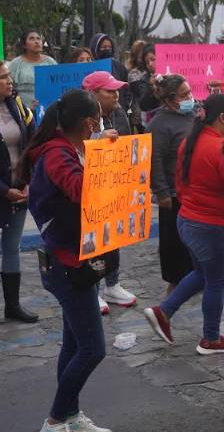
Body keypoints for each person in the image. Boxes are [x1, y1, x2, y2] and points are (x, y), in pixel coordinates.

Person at [22, 90, 112, 432]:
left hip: (75, 258)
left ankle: (70, 415)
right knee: (92, 349)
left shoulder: (64, 149)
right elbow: (81, 190)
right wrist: (104, 155)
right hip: (67, 262)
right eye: (98, 121)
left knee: (74, 343)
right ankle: (56, 420)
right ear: (89, 123)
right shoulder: (57, 155)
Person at [144, 94, 224, 355]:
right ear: (222, 118)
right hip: (212, 225)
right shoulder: (220, 148)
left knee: (202, 275)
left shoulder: (192, 141)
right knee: (217, 281)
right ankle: (210, 338)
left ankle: (163, 311)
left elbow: (181, 181)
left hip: (189, 219)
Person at [81, 71, 137, 315]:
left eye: (117, 90)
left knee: (113, 236)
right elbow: (70, 148)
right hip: (86, 188)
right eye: (109, 91)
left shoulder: (119, 114)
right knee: (92, 242)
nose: (116, 95)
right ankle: (91, 288)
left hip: (114, 185)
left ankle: (112, 284)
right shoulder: (79, 118)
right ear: (93, 94)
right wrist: (97, 139)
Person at [148, 75, 195, 294]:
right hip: (173, 193)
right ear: (170, 99)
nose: (190, 97)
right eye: (185, 95)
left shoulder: (192, 114)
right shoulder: (158, 123)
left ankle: (193, 278)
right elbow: (154, 159)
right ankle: (175, 284)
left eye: (190, 92)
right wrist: (162, 192)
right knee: (173, 242)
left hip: (193, 190)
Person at [0, 61, 37, 323]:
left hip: (18, 189)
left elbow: (33, 143)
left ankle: (12, 306)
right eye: (3, 78)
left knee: (12, 247)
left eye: (9, 76)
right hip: (3, 191)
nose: (9, 81)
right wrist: (4, 190)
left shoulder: (18, 106)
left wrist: (28, 181)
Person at [9, 30, 57, 109]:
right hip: (23, 112)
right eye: (32, 39)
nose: (36, 42)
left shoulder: (51, 62)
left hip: (47, 110)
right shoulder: (15, 64)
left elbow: (56, 87)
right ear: (24, 45)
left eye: (38, 39)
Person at [89, 33, 133, 119]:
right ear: (96, 48)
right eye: (104, 47)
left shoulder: (119, 66)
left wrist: (127, 106)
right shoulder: (88, 68)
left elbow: (127, 88)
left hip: (118, 112)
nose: (107, 49)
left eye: (109, 47)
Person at [129, 43, 157, 131]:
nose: (150, 64)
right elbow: (143, 104)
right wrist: (150, 86)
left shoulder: (173, 75)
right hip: (155, 123)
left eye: (153, 59)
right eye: (147, 62)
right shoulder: (145, 79)